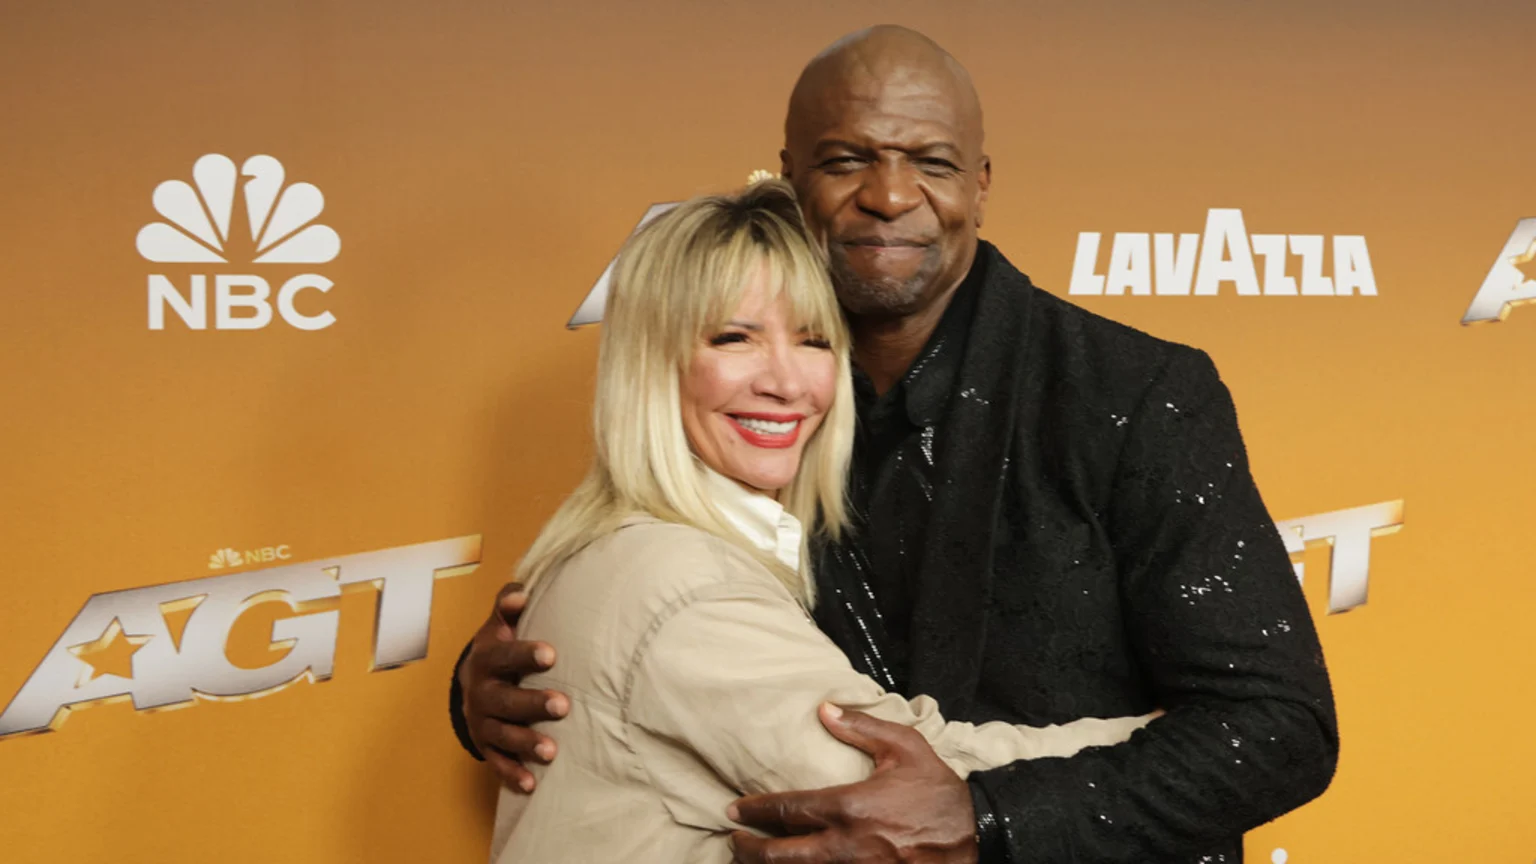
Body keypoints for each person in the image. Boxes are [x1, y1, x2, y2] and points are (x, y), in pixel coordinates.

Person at [455, 25, 1338, 864]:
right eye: (847, 160)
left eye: (932, 163)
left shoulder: (1135, 393)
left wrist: (988, 826)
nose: (889, 195)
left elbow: (1278, 724)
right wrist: (504, 689)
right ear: (790, 175)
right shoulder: (747, 405)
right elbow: (659, 615)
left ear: (981, 183)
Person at [488, 179, 1154, 863]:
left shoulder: (630, 551)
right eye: (734, 337)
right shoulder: (681, 584)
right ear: (652, 365)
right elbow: (908, 788)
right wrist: (1181, 747)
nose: (786, 381)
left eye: (813, 341)